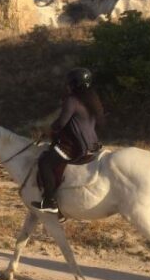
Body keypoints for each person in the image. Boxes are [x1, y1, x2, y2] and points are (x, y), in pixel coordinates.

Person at [32, 68, 104, 214]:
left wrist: (45, 131)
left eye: (69, 83)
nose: (67, 86)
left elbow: (61, 123)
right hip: (94, 144)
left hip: (78, 146)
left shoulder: (72, 100)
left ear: (74, 84)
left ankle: (50, 201)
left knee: (44, 162)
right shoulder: (92, 99)